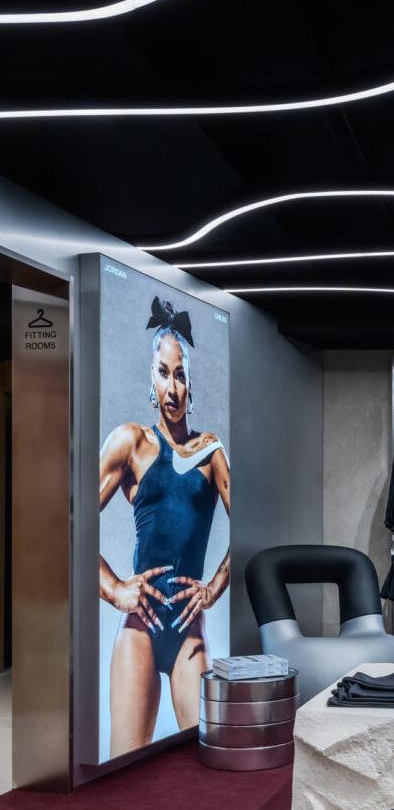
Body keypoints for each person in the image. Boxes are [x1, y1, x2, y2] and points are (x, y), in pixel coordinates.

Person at [99, 296, 230, 757]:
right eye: (162, 372)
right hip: (139, 625)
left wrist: (213, 589)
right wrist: (115, 589)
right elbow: (67, 523)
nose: (172, 388)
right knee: (126, 765)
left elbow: (253, 528)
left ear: (190, 383)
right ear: (151, 379)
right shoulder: (131, 442)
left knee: (209, 756)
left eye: (180, 375)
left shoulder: (211, 452)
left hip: (187, 631)